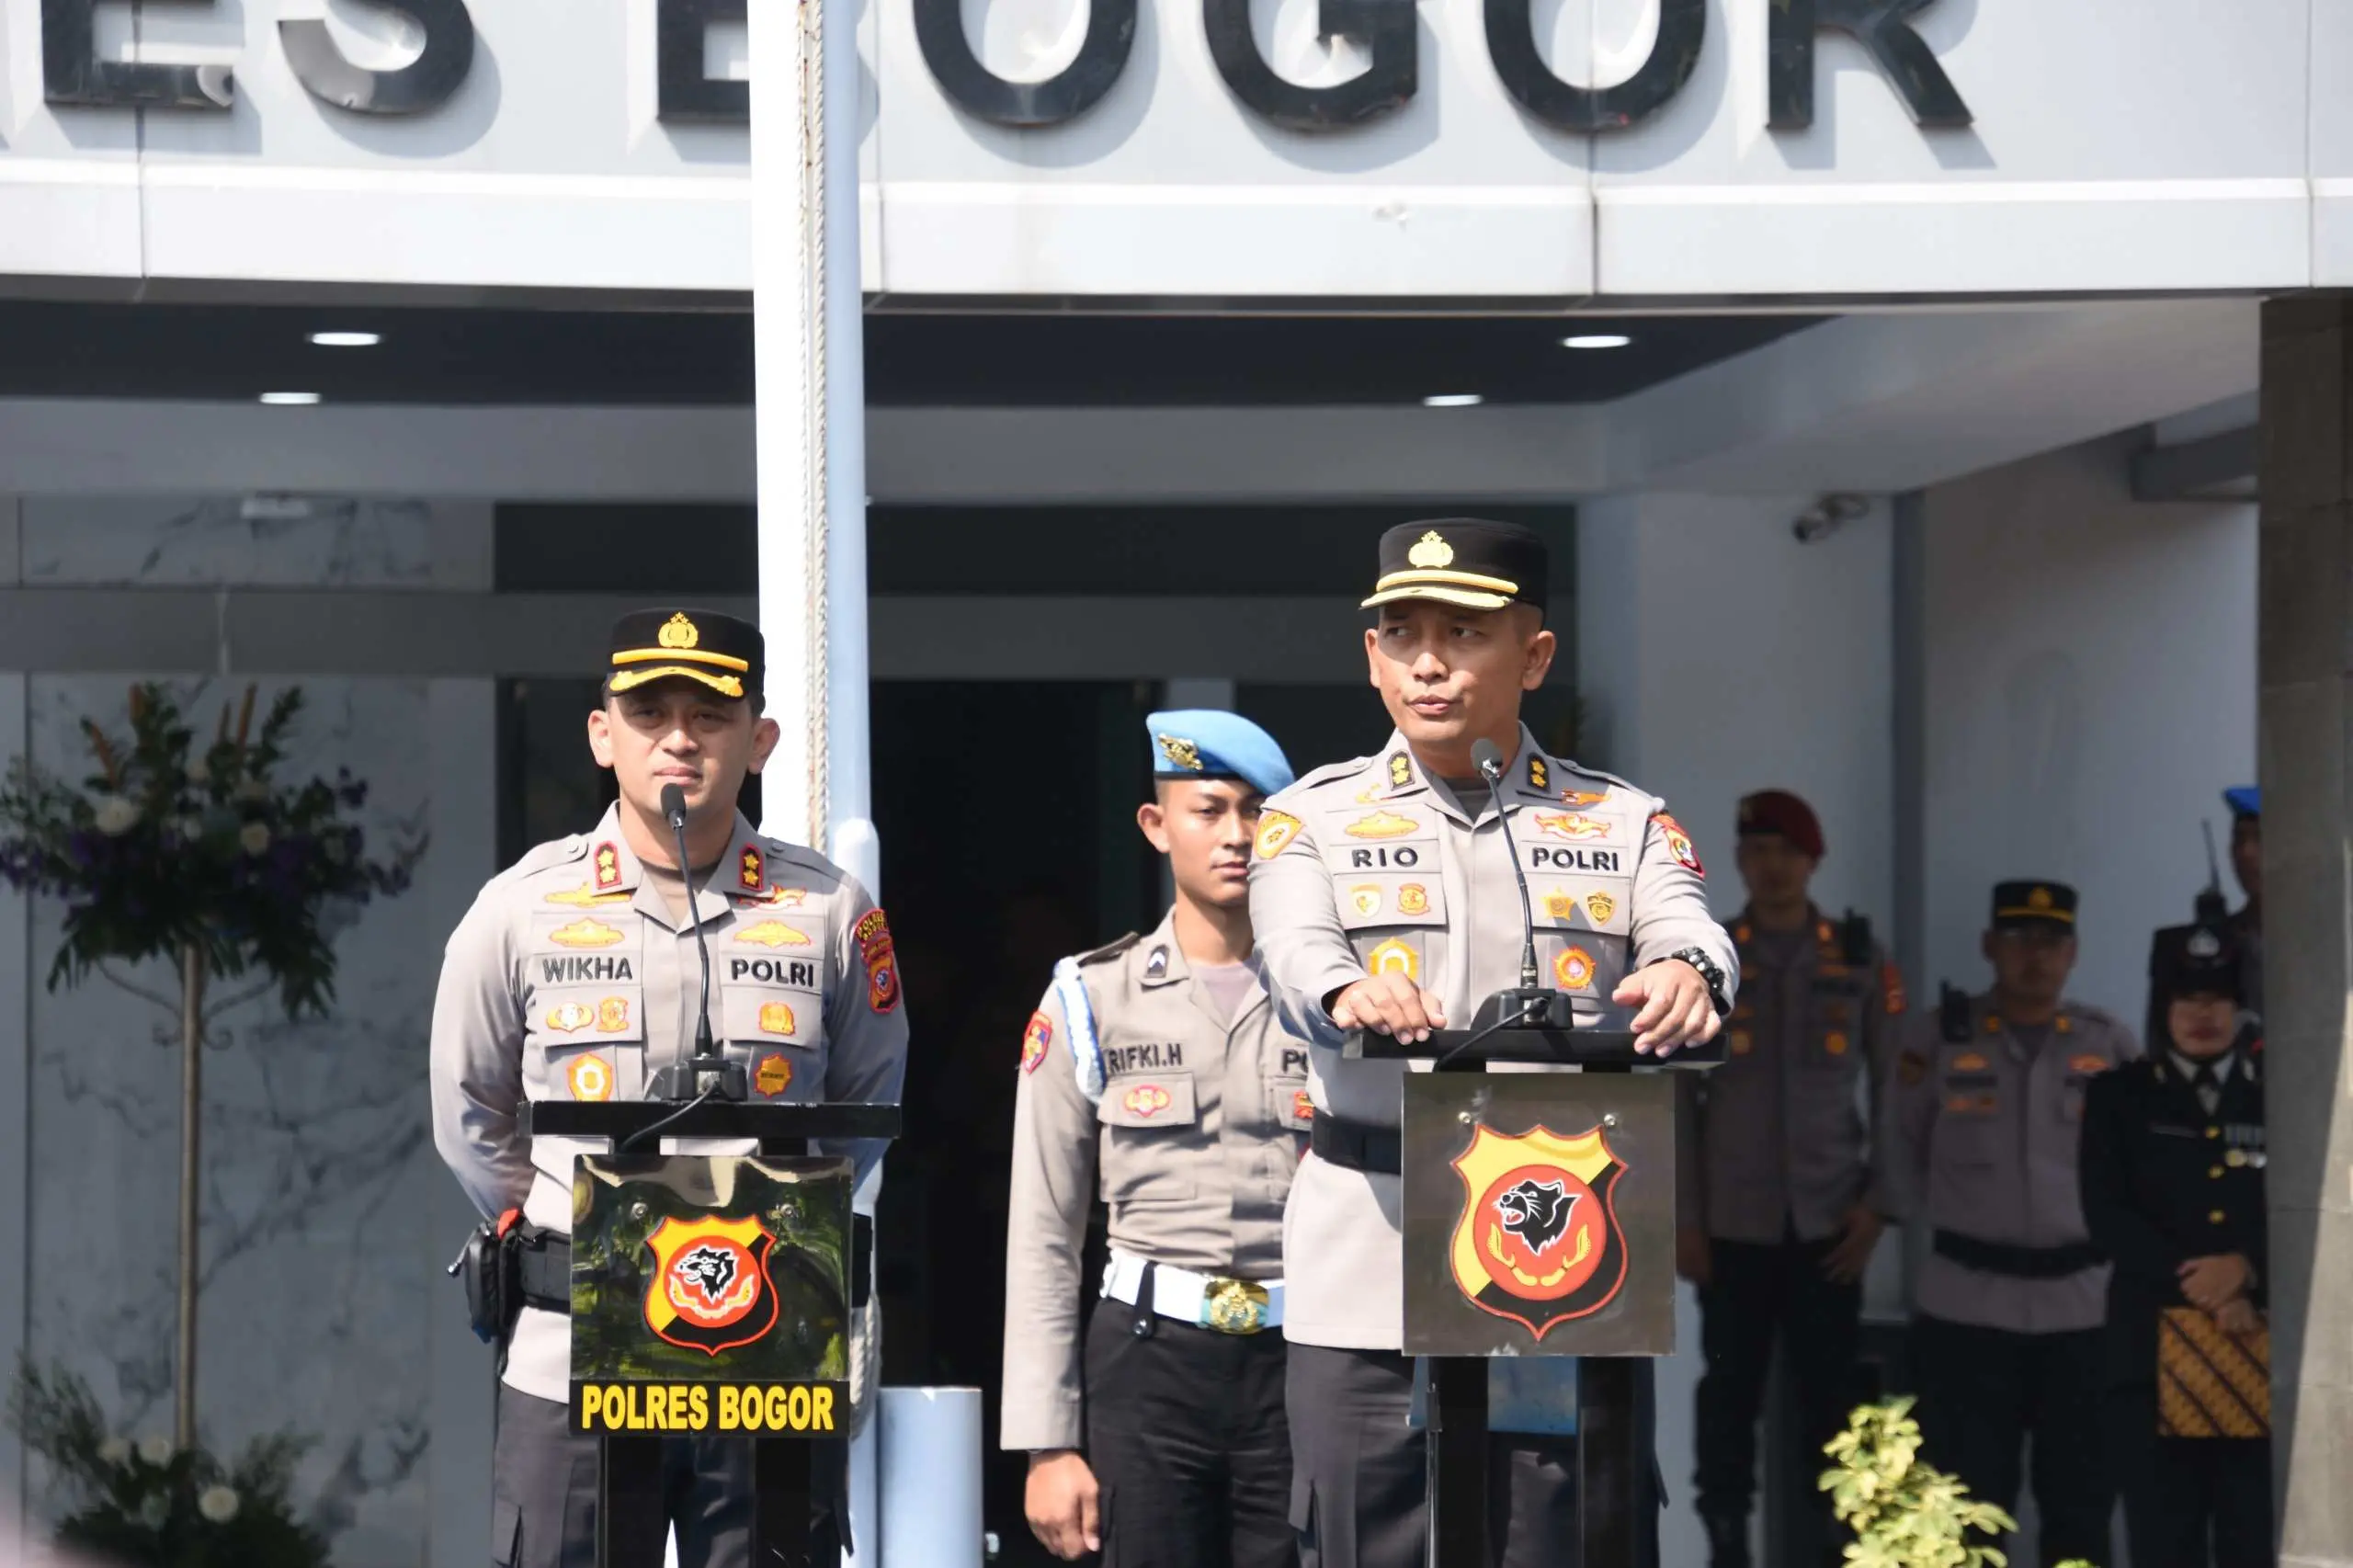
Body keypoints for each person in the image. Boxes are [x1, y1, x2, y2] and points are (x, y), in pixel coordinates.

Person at [1247, 517, 1736, 1568]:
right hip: (1367, 1258)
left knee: (1560, 1542)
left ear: (1535, 655)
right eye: (1401, 632)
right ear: (1369, 655)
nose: (1427, 661)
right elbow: (1292, 952)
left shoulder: (1620, 821)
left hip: (1560, 1256)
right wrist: (1348, 990)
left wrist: (1685, 973)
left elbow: (1690, 925)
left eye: (1463, 631)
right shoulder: (1309, 820)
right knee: (1361, 1540)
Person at [429, 608, 909, 1568]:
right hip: (573, 1351)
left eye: (710, 714)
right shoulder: (520, 908)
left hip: (766, 1345)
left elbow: (866, 1105)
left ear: (759, 739)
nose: (680, 738)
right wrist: (570, 1224)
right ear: (604, 735)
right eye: (649, 712)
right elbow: (468, 1111)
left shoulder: (829, 911)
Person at [1003, 710, 1304, 1568]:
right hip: (1148, 1359)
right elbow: (1044, 1232)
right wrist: (1046, 1443)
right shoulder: (1093, 999)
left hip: (1305, 1357)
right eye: (1209, 810)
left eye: (1259, 812)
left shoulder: (1333, 1000)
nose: (1237, 835)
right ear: (1156, 826)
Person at [1677, 789, 1902, 1568]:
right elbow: (1682, 1095)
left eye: (1785, 851)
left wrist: (1879, 1205)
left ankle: (1841, 1545)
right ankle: (1727, 1544)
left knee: (1831, 1399)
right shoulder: (1713, 955)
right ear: (1739, 859)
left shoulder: (1862, 956)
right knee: (1728, 1395)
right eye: (1756, 850)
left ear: (1813, 861)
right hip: (1733, 1223)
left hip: (1829, 1222)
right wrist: (1685, 1218)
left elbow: (1895, 1084)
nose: (1770, 866)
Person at [1882, 881, 2136, 1568]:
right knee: (1963, 1515)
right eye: (2019, 938)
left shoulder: (2108, 1043)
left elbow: (2137, 1171)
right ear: (1990, 946)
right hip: (1967, 1311)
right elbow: (1900, 1147)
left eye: (2051, 940)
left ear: (2074, 953)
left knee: (2081, 1513)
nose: (2035, 955)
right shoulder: (1935, 1037)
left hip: (2081, 1315)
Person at [2082, 924, 2270, 1568]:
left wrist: (2248, 1269)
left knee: (2252, 1542)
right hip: (2148, 1362)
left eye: (2219, 997)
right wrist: (2205, 1286)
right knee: (2164, 1545)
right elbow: (2106, 1217)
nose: (2202, 1014)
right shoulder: (2119, 1097)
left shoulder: (2278, 1094)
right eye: (2187, 998)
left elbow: (2307, 1207)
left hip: (2258, 1352)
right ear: (2162, 1004)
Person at [2144, 788, 2264, 1044]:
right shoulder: (2204, 949)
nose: (2246, 853)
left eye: (2261, 838)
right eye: (2239, 839)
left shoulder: (2334, 944)